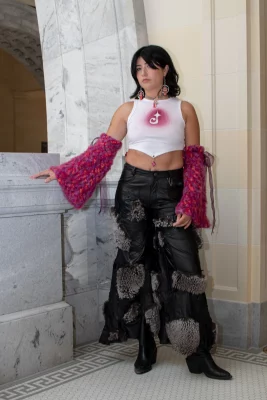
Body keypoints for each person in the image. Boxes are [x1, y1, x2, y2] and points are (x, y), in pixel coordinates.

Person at [31, 45, 232, 380]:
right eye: (138, 68)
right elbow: (101, 152)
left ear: (165, 69)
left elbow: (195, 161)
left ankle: (198, 353)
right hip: (134, 189)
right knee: (135, 267)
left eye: (150, 67)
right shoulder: (128, 109)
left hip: (171, 190)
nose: (144, 73)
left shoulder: (184, 108)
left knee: (188, 270)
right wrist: (63, 172)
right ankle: (144, 345)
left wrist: (189, 202)